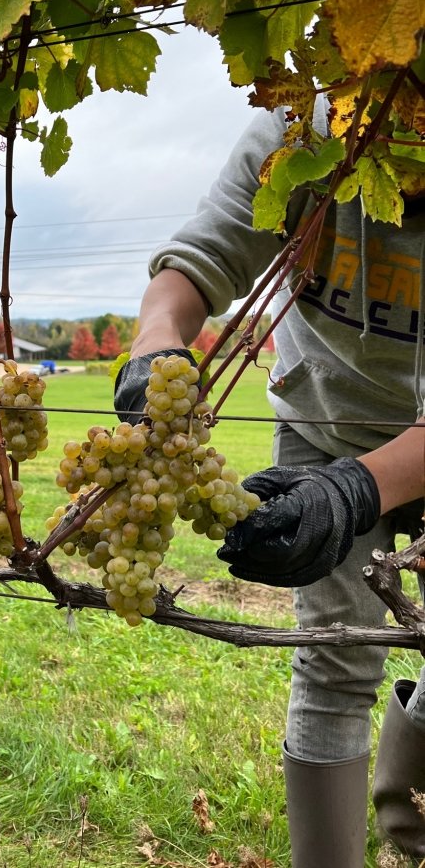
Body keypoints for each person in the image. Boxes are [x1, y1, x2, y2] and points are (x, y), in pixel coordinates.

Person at [114, 100, 425, 867]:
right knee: (331, 660)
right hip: (324, 429)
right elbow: (198, 259)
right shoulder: (306, 130)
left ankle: (412, 835)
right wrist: (156, 348)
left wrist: (360, 491)